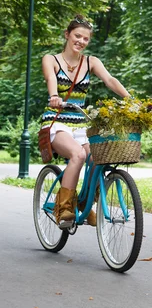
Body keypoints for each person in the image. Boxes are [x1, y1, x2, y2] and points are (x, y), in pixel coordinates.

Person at [41, 15, 130, 229]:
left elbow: (110, 80)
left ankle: (83, 201)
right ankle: (64, 209)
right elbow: (51, 79)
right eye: (77, 36)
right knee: (78, 155)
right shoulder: (51, 59)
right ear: (67, 35)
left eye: (85, 38)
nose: (81, 41)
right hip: (57, 122)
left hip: (80, 124)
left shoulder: (91, 62)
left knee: (98, 157)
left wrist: (130, 100)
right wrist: (54, 96)